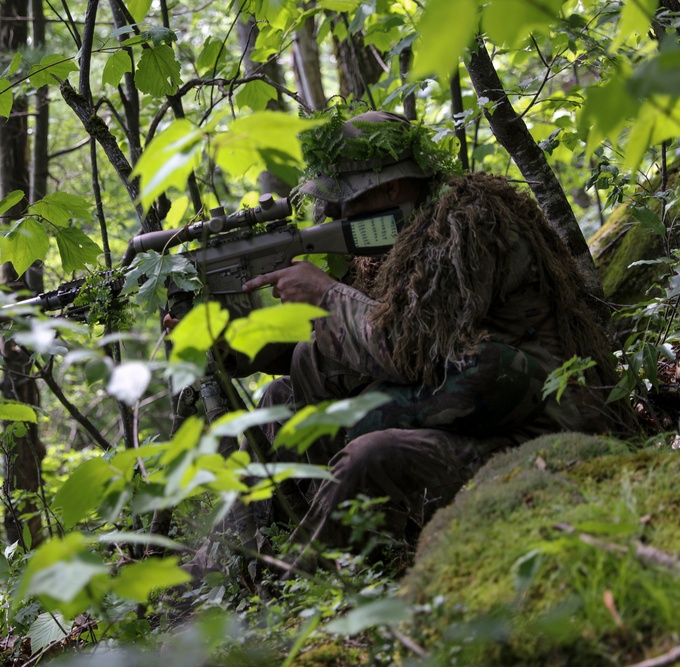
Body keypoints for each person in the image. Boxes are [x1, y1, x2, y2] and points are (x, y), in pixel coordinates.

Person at [231, 109, 630, 569]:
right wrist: (229, 342)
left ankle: (298, 590)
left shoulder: (465, 222)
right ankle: (251, 556)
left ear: (391, 187)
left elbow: (407, 348)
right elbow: (327, 349)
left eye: (348, 200)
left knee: (369, 457)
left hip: (535, 429)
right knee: (281, 397)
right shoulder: (395, 238)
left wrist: (326, 293)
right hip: (458, 411)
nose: (339, 214)